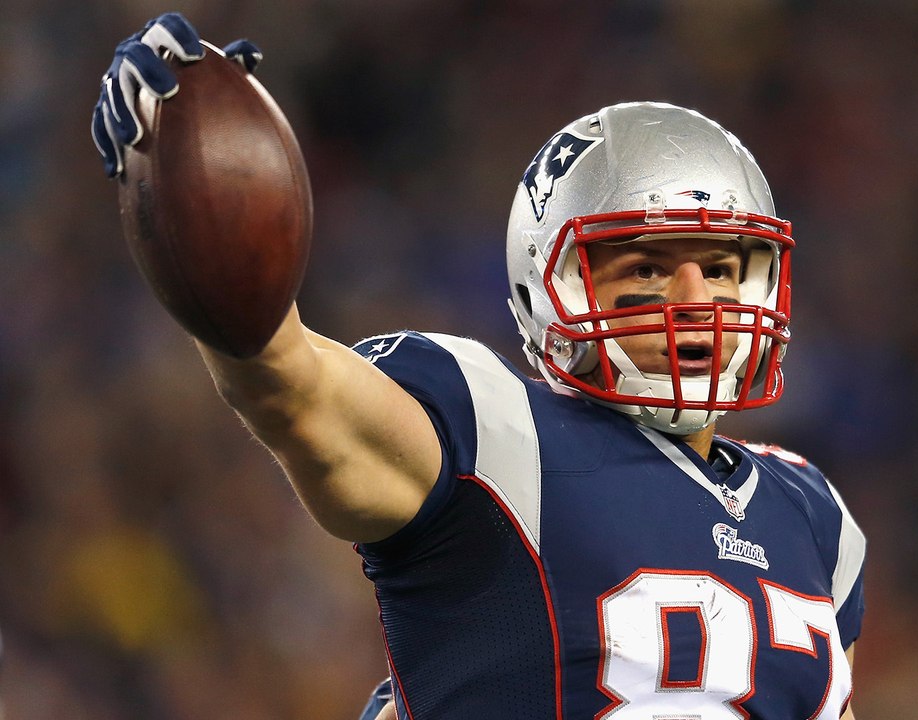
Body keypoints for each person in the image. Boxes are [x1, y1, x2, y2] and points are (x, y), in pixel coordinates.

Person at [93, 13, 867, 720]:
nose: (696, 299)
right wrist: (207, 212)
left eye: (724, 268)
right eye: (648, 269)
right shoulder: (499, 432)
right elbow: (288, 383)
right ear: (552, 285)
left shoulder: (816, 519)